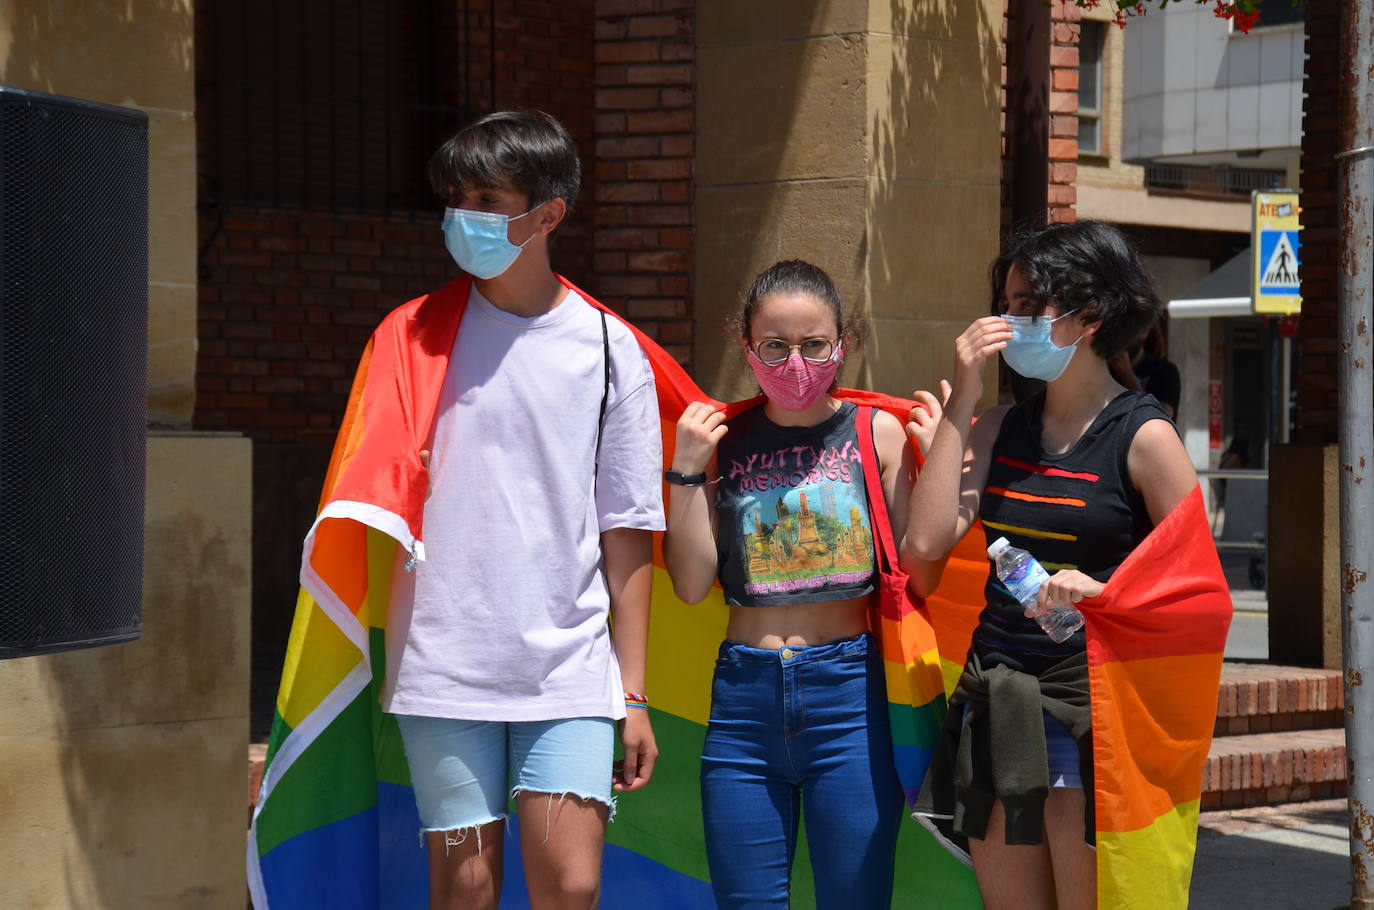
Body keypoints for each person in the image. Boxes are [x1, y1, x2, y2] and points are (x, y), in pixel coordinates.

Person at [380, 111, 663, 909]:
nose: (463, 215)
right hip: (443, 659)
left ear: (548, 214)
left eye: (486, 197)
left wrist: (631, 691)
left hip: (568, 667)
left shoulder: (611, 350)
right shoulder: (410, 338)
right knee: (464, 890)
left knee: (570, 886)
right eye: (454, 196)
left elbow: (629, 525)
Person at [904, 221, 1197, 910]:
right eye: (1007, 302)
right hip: (996, 706)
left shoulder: (1145, 436)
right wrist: (964, 400)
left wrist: (1106, 591)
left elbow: (1195, 591)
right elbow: (923, 546)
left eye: (1032, 303)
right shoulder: (1000, 424)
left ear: (1091, 314)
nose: (1011, 320)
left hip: (1089, 717)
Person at [663, 260, 946, 908]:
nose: (796, 361)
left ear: (842, 344)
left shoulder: (879, 435)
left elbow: (919, 570)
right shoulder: (720, 440)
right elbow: (688, 584)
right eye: (776, 346)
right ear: (748, 348)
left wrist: (937, 466)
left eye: (814, 345)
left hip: (850, 699)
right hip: (743, 703)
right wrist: (684, 472)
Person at [1130, 318, 1180, 419]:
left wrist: (1126, 373)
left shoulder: (1164, 370)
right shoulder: (1106, 370)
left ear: (1144, 332)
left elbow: (1163, 415)